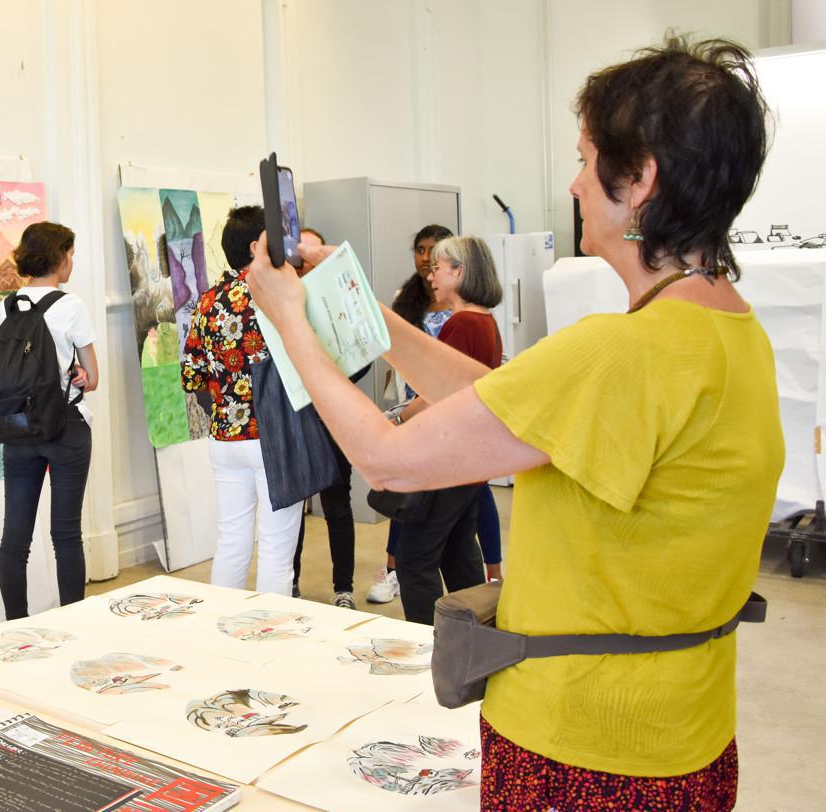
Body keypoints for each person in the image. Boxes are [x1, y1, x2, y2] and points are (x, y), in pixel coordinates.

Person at [246, 35, 781, 810]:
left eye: (585, 157)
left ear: (640, 181)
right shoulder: (730, 332)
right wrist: (342, 285)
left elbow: (388, 460)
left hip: (584, 750)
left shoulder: (621, 352)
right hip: (687, 739)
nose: (573, 181)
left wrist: (291, 319)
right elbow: (502, 397)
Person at [181, 206, 303, 595]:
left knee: (231, 540)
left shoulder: (206, 301)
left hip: (225, 439)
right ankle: (273, 637)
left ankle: (225, 632)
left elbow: (191, 375)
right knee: (276, 549)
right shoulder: (275, 294)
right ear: (255, 246)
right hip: (276, 437)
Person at [387, 235, 503, 624]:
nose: (431, 274)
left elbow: (438, 393)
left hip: (448, 460)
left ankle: (429, 647)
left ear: (460, 271)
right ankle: (475, 642)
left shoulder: (463, 324)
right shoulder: (485, 321)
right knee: (459, 557)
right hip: (468, 461)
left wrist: (399, 419)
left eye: (439, 267)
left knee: (414, 561)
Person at [0, 222, 99, 620]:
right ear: (59, 257)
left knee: (14, 539)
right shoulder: (70, 305)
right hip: (65, 428)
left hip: (19, 430)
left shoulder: (12, 306)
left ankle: (15, 629)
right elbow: (93, 378)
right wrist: (79, 375)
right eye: (70, 253)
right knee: (66, 535)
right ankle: (73, 625)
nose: (72, 261)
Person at [367, 224, 454, 604]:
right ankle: (392, 570)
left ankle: (491, 576)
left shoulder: (463, 302)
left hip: (449, 413)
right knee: (406, 495)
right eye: (419, 249)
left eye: (433, 250)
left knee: (462, 501)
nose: (424, 257)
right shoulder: (406, 298)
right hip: (413, 406)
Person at [291, 228, 360, 609]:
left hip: (333, 417)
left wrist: (332, 381)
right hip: (297, 417)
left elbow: (360, 357)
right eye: (297, 251)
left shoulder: (336, 301)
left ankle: (343, 588)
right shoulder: (280, 302)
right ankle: (292, 583)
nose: (302, 258)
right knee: (293, 510)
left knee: (337, 505)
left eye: (310, 250)